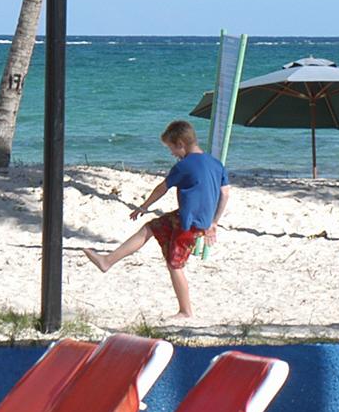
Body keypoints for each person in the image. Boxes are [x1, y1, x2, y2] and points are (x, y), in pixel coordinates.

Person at [82, 120, 229, 321]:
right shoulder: (216, 163)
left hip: (189, 223)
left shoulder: (184, 166)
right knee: (150, 228)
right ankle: (107, 261)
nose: (172, 154)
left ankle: (185, 311)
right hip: (190, 218)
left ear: (180, 143)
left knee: (175, 265)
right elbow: (225, 194)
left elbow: (162, 188)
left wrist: (144, 206)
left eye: (171, 148)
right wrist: (214, 222)